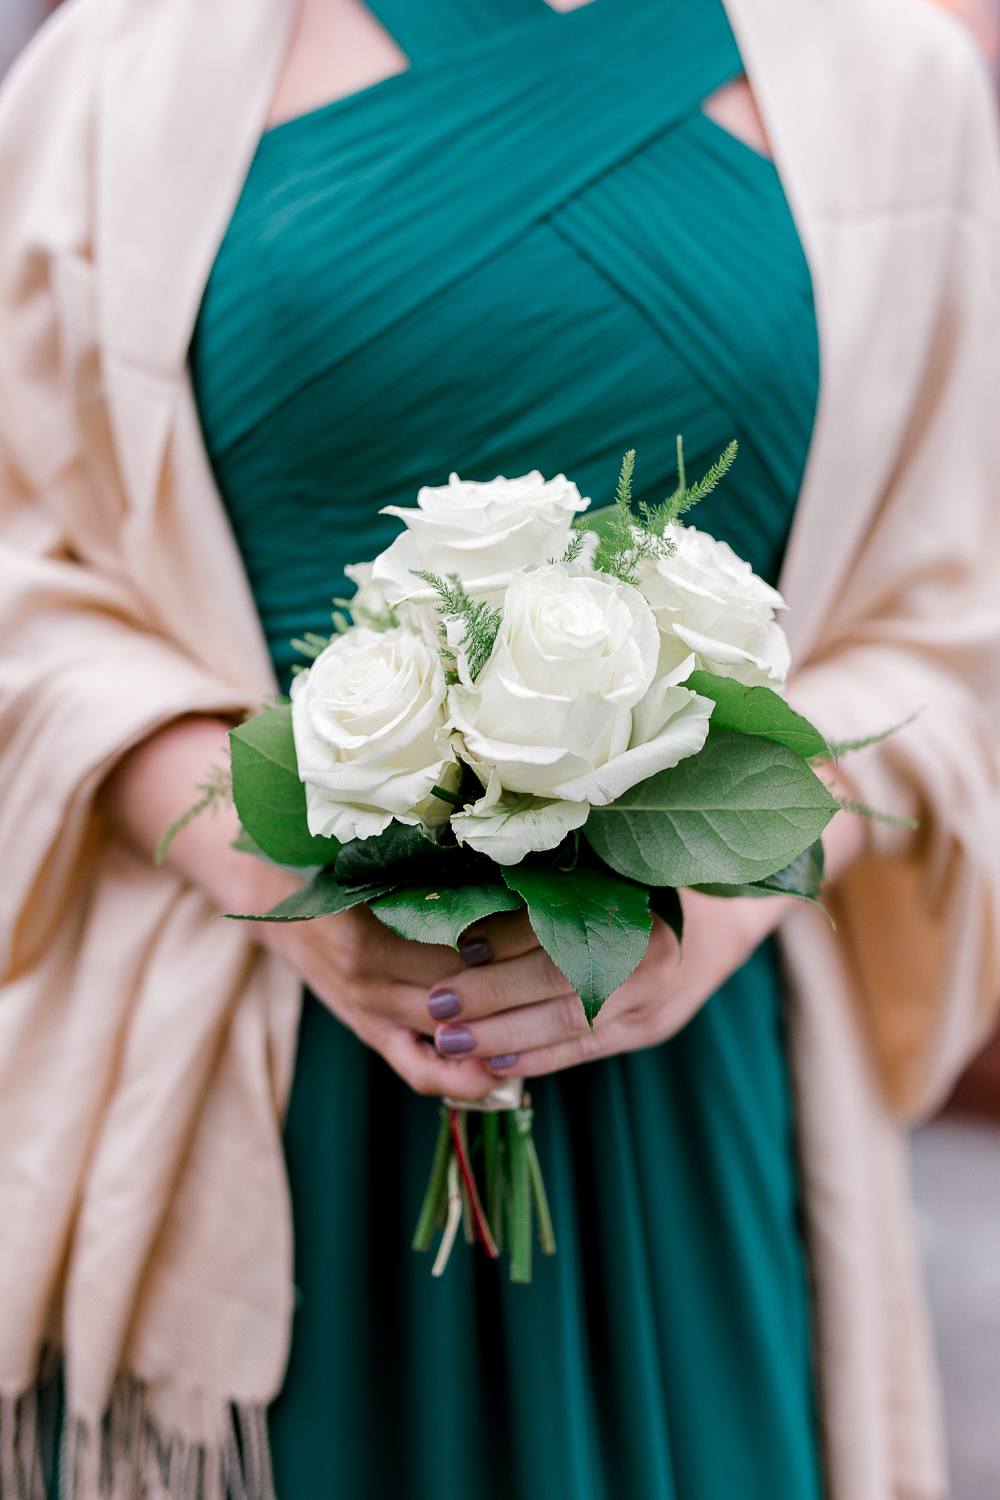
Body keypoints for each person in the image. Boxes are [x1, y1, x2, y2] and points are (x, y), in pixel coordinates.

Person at [1, 0, 999, 1497]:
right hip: (246, 1043)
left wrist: (709, 909)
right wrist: (264, 860)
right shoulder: (131, 57)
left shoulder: (892, 73)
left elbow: (948, 632)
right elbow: (26, 567)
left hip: (685, 1070)